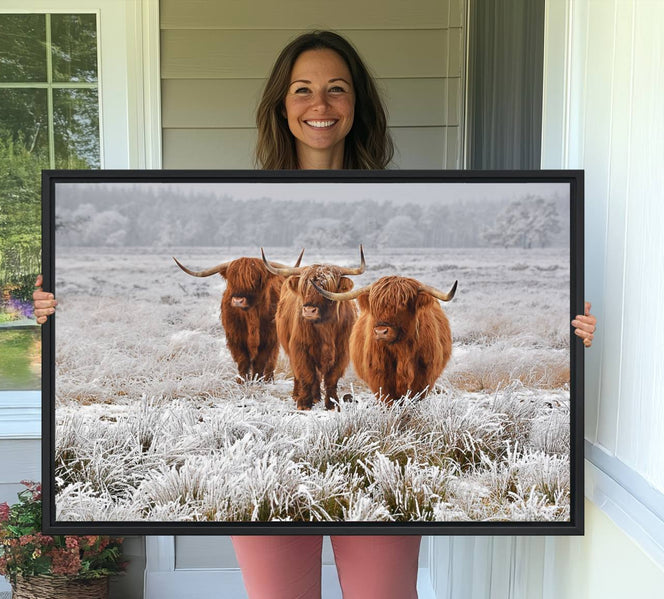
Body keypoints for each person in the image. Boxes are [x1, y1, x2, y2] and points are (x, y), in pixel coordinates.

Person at [33, 30, 597, 599]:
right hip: (268, 457)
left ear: (357, 105)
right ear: (282, 104)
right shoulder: (238, 198)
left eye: (337, 89)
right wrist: (56, 312)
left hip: (379, 452)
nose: (320, 105)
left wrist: (573, 331)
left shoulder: (405, 196)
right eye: (302, 90)